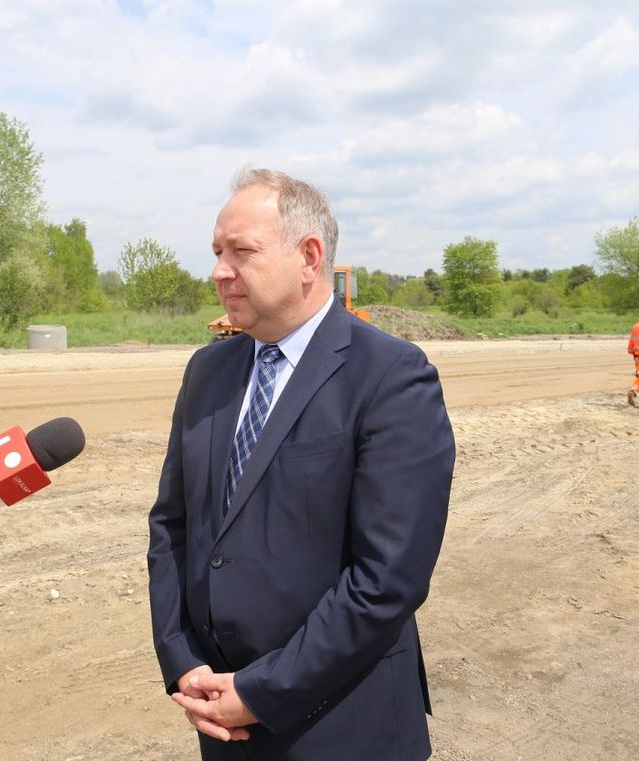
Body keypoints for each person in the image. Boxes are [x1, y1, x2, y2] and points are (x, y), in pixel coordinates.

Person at [148, 168, 456, 760]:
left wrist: (262, 691)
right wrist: (182, 659)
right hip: (222, 718)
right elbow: (173, 527)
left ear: (309, 256)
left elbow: (387, 579)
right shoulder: (207, 372)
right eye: (217, 252)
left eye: (242, 251)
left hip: (341, 723)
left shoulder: (389, 376)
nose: (218, 271)